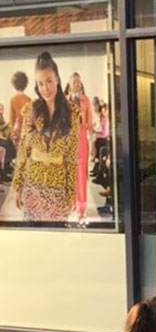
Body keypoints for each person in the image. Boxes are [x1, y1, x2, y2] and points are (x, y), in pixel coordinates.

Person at [11, 52, 80, 222]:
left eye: (49, 81)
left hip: (57, 189)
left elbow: (72, 157)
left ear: (57, 79)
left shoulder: (72, 113)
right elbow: (23, 152)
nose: (45, 88)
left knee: (57, 244)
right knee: (33, 242)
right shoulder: (30, 110)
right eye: (40, 83)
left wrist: (71, 193)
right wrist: (16, 186)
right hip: (32, 187)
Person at [65, 72, 94, 223]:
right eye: (74, 81)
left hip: (82, 136)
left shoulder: (86, 100)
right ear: (69, 84)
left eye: (78, 81)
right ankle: (71, 206)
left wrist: (93, 142)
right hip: (69, 138)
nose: (76, 84)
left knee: (82, 172)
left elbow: (90, 123)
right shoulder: (64, 100)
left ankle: (82, 207)